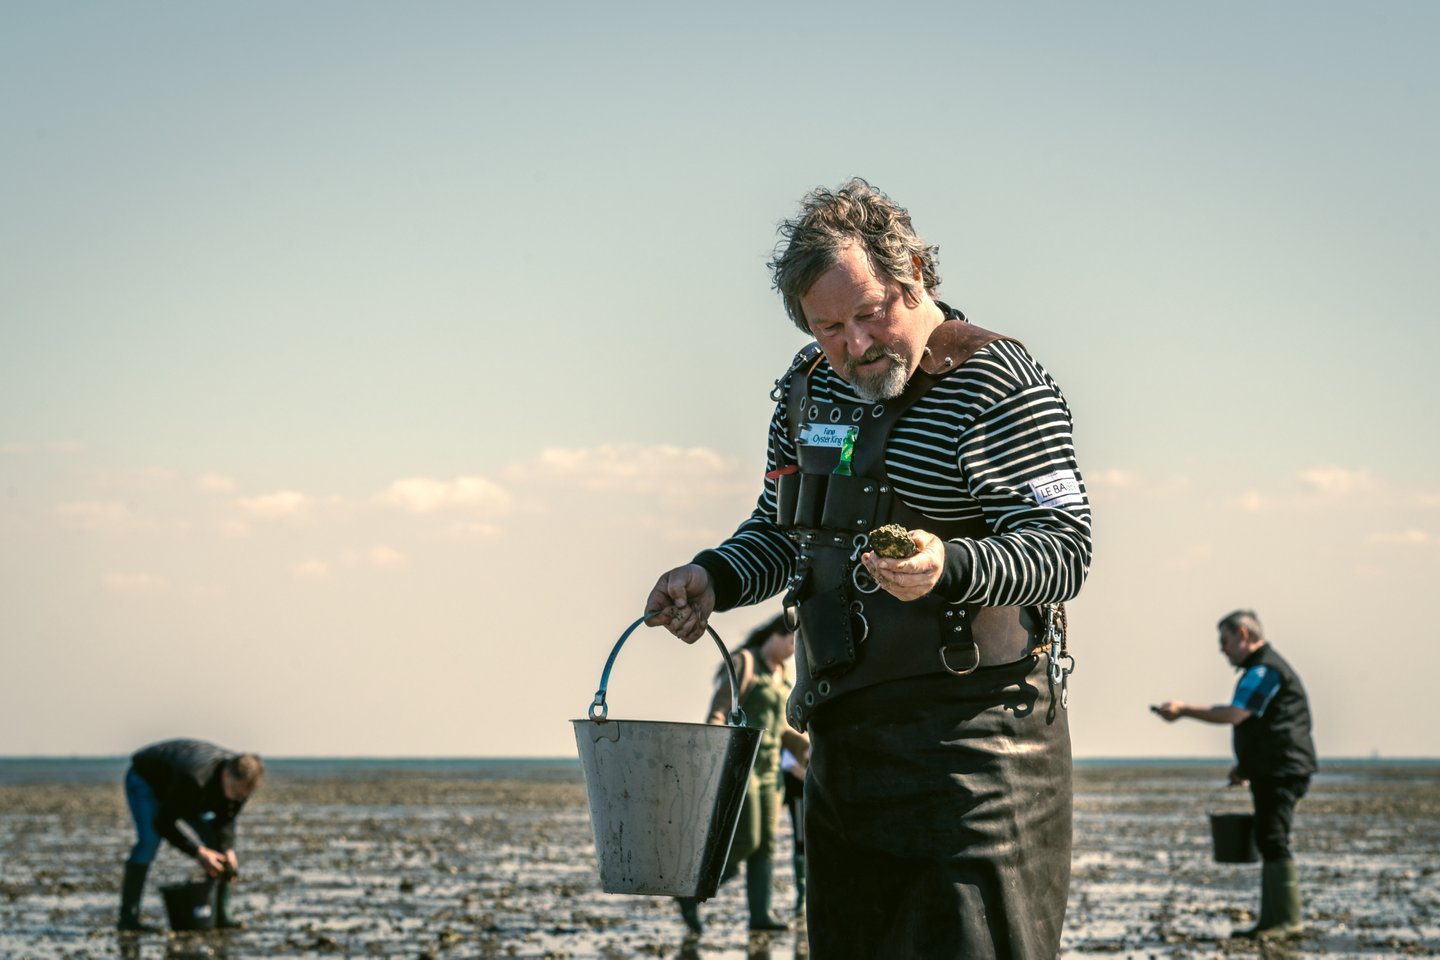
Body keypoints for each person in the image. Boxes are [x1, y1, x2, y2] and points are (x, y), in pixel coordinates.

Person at [644, 178, 1092, 959]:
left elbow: (1062, 546)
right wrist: (712, 578)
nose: (854, 346)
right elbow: (783, 534)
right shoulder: (807, 390)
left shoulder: (999, 382)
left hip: (979, 756)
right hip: (844, 747)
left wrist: (950, 563)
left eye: (869, 313)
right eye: (828, 328)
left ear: (915, 271)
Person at [1153, 609, 1317, 940]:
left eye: (1225, 640)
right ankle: (1273, 921)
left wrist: (1183, 710)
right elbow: (1261, 725)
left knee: (1273, 839)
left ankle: (1286, 921)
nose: (1222, 649)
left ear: (1243, 634)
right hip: (1276, 767)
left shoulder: (1264, 669)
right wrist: (1245, 768)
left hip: (1282, 768)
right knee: (1270, 838)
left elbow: (1235, 714)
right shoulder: (1263, 669)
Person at [676, 614, 808, 935]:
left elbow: (781, 730)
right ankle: (693, 889)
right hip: (740, 770)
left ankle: (760, 915)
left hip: (771, 774)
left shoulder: (781, 677)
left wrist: (810, 752)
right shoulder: (745, 663)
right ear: (776, 635)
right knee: (747, 839)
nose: (793, 650)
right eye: (791, 642)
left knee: (766, 845)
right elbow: (719, 711)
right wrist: (713, 746)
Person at [118, 738, 264, 932]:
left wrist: (228, 850)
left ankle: (222, 915)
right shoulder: (194, 780)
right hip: (146, 779)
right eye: (236, 793)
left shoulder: (241, 786)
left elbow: (226, 819)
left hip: (185, 791)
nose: (239, 799)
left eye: (243, 796)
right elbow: (163, 822)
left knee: (218, 846)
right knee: (149, 841)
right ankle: (128, 919)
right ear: (227, 775)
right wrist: (198, 852)